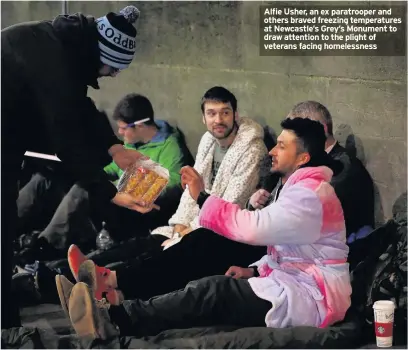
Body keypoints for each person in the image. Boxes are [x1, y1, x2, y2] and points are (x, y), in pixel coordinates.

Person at [57, 118, 352, 343]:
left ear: (303, 158)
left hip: (312, 297)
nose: (273, 150)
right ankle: (105, 293)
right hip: (290, 281)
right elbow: (285, 252)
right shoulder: (299, 186)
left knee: (211, 290)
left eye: (283, 146)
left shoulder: (311, 194)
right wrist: (256, 271)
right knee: (178, 256)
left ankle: (114, 316)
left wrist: (201, 197)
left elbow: (254, 227)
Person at [1, 5, 146, 328]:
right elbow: (66, 139)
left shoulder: (62, 44)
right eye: (113, 68)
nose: (113, 75)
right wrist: (109, 192)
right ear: (101, 53)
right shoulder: (52, 61)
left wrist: (113, 146)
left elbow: (80, 106)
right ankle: (6, 328)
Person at [15, 94, 189, 263]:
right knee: (45, 179)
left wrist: (124, 186)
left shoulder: (169, 147)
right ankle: (9, 224)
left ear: (140, 126)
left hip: (134, 209)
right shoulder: (132, 142)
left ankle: (45, 246)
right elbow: (113, 168)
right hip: (113, 195)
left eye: (123, 128)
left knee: (85, 188)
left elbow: (175, 182)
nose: (119, 133)